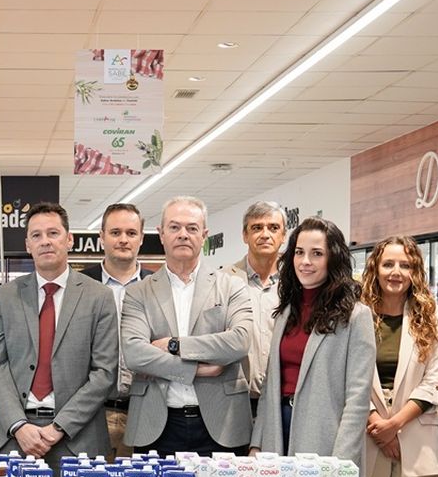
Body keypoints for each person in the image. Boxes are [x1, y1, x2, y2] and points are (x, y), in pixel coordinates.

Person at [0, 203, 119, 464]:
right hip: (15, 438)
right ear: (27, 245)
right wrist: (18, 425)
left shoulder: (99, 296)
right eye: (36, 235)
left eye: (53, 233)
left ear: (69, 239)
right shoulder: (5, 297)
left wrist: (59, 427)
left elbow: (104, 372)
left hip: (78, 438)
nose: (45, 241)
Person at [121, 196, 253, 457]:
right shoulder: (139, 293)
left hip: (221, 425)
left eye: (192, 228)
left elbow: (239, 341)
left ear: (204, 235)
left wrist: (174, 344)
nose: (183, 234)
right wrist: (198, 370)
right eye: (174, 227)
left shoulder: (231, 286)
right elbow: (135, 353)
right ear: (160, 234)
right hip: (157, 424)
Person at [251, 218, 375, 473]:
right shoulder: (285, 313)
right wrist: (257, 442)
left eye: (316, 254)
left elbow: (358, 398)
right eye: (299, 252)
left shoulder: (356, 316)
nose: (305, 261)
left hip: (324, 435)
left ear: (333, 258)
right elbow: (270, 387)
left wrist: (342, 462)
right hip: (278, 431)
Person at [360, 235, 438, 477]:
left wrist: (394, 426)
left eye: (405, 265)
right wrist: (379, 428)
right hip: (367, 439)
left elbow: (434, 382)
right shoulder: (357, 315)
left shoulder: (432, 317)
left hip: (415, 440)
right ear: (375, 268)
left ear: (416, 271)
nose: (396, 271)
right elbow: (349, 379)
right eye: (388, 264)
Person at [81, 202, 153, 457]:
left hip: (146, 410)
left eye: (131, 233)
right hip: (92, 412)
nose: (123, 240)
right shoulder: (78, 285)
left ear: (141, 239)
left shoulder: (159, 286)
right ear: (101, 237)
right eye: (115, 232)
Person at [225, 201, 287, 415]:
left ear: (284, 235)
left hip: (283, 402)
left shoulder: (295, 282)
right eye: (257, 228)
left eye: (273, 228)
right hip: (236, 402)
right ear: (245, 235)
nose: (265, 234)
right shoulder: (224, 280)